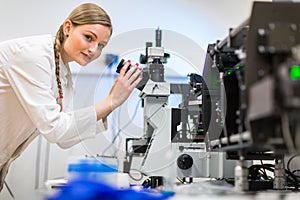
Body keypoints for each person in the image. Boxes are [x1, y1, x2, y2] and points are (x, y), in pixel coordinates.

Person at [0, 3, 142, 191]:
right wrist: (110, 101)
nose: (93, 50)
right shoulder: (34, 56)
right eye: (88, 38)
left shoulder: (63, 72)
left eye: (101, 45)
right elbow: (55, 130)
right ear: (68, 28)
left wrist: (111, 104)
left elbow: (64, 138)